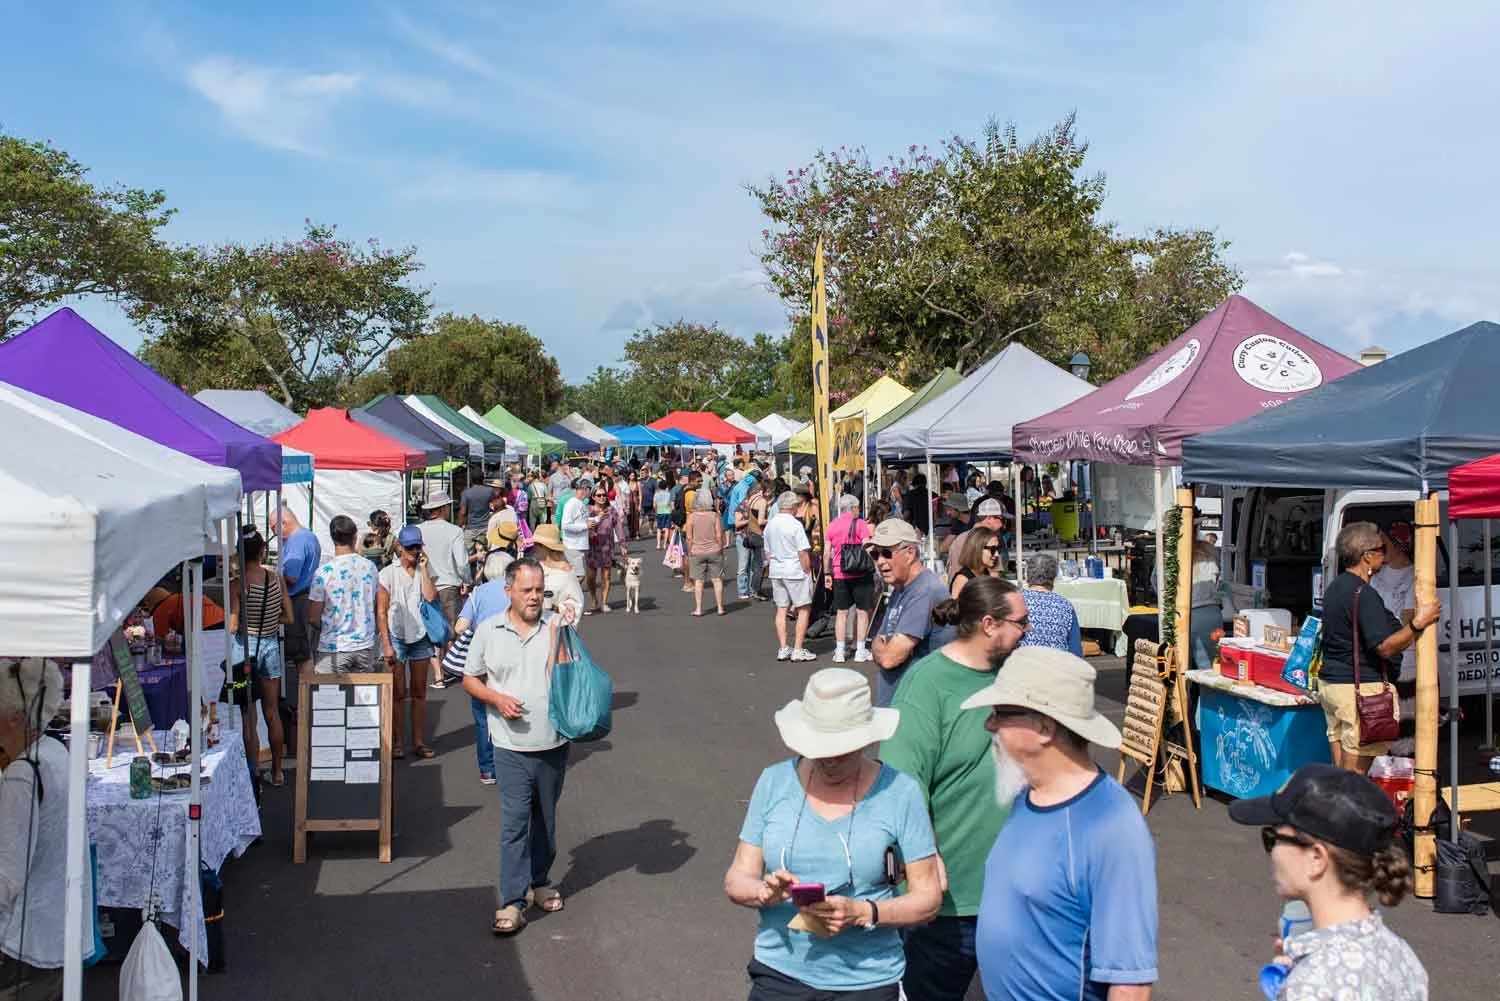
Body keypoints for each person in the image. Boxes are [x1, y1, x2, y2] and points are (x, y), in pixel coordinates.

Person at [723, 668, 943, 1001]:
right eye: (819, 749)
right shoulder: (774, 782)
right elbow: (737, 878)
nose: (829, 761)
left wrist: (864, 912)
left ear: (866, 740)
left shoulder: (901, 793)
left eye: (842, 751)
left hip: (868, 980)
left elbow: (928, 899)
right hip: (780, 974)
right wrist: (763, 892)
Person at [964, 646, 1157, 1001]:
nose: (989, 724)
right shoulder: (1028, 793)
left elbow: (1131, 983)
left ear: (1043, 727)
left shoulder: (1112, 826)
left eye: (1001, 713)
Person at [881, 577, 1030, 1001]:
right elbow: (902, 783)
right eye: (1020, 623)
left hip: (1022, 894)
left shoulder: (1016, 675)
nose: (1026, 632)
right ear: (989, 624)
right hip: (954, 903)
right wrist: (924, 858)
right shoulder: (927, 685)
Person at [1227, 763, 1426, 1001]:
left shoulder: (1312, 985)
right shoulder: (1400, 955)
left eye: (1273, 838)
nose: (1273, 853)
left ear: (1316, 858)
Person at [462, 559, 571, 936]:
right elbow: (469, 678)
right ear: (508, 590)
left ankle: (539, 881)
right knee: (514, 824)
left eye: (539, 590)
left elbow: (569, 675)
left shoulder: (555, 626)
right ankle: (512, 900)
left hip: (553, 741)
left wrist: (566, 634)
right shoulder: (489, 630)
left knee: (546, 820)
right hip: (509, 747)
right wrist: (496, 699)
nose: (534, 597)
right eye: (526, 590)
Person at [0, 658, 93, 996]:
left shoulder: (22, 775)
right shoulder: (54, 751)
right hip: (55, 929)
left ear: (13, 718)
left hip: (25, 942)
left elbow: (6, 875)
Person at [1318, 522, 1438, 772]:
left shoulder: (1335, 587)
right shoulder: (1362, 593)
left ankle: (1334, 809)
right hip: (1358, 688)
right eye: (1381, 549)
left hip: (1332, 685)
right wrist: (1418, 623)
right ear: (1367, 555)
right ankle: (1348, 810)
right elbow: (1384, 647)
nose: (1384, 554)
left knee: (1341, 771)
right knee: (1356, 775)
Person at [228, 527, 293, 786]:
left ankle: (252, 769)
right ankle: (277, 772)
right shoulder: (275, 579)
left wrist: (245, 621)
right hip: (270, 646)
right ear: (262, 550)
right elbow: (288, 617)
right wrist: (268, 621)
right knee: (272, 711)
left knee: (248, 714)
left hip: (245, 648)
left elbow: (233, 625)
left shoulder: (237, 584)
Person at [449, 550, 518, 786]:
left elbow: (460, 627)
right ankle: (514, 763)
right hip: (512, 658)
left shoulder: (478, 593)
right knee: (513, 708)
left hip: (482, 661)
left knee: (482, 717)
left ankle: (488, 770)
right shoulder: (514, 591)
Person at [869, 519, 954, 707]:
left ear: (910, 553)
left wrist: (881, 646)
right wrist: (880, 645)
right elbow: (878, 640)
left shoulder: (924, 591)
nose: (880, 562)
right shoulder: (901, 589)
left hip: (913, 708)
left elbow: (889, 657)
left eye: (886, 553)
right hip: (898, 704)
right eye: (875, 554)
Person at [378, 525, 440, 760]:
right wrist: (386, 644)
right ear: (400, 548)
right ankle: (398, 741)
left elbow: (431, 597)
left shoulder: (424, 567)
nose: (415, 551)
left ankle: (418, 741)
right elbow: (381, 611)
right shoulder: (387, 573)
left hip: (420, 636)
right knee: (397, 693)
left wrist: (424, 569)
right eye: (411, 547)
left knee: (419, 691)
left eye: (418, 546)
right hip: (397, 635)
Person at [308, 514, 382, 674]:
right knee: (362, 697)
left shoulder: (323, 573)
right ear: (355, 537)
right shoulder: (370, 568)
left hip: (333, 646)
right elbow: (376, 605)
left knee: (330, 696)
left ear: (332, 538)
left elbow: (313, 617)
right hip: (365, 645)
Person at [765, 491, 817, 662]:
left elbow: (767, 552)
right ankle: (798, 648)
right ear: (793, 507)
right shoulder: (795, 525)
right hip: (794, 569)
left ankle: (783, 647)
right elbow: (802, 551)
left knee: (781, 608)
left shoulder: (770, 524)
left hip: (776, 568)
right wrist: (808, 569)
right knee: (803, 608)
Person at [825, 494, 875, 664]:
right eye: (858, 507)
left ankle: (839, 651)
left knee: (841, 613)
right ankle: (860, 650)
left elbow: (826, 553)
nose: (859, 510)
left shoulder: (832, 525)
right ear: (853, 508)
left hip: (840, 573)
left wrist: (826, 573)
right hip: (861, 573)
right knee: (862, 612)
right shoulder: (861, 524)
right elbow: (868, 546)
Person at [275, 502, 322, 678]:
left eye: (275, 530)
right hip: (306, 596)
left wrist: (272, 575)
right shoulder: (309, 536)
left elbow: (291, 576)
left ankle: (305, 699)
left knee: (301, 654)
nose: (277, 536)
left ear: (283, 523)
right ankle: (306, 695)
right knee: (304, 651)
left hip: (297, 600)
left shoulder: (296, 541)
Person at [418, 490, 471, 633]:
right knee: (451, 633)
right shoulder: (454, 531)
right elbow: (461, 563)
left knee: (430, 631)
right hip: (448, 586)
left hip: (424, 585)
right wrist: (466, 581)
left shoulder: (419, 530)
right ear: (443, 508)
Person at [1369, 526, 1416, 684]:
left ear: (1398, 545)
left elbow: (1408, 622)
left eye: (1384, 545)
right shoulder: (1376, 573)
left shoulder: (1414, 577)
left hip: (1403, 659)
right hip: (1377, 651)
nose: (1379, 549)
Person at [1019, 554, 1083, 657]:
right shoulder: (1065, 606)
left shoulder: (1015, 601)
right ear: (1054, 576)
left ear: (1027, 574)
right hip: (1057, 669)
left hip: (1022, 667)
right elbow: (1075, 651)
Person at [527, 525, 584, 628]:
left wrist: (555, 608)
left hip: (555, 631)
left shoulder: (566, 573)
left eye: (536, 544)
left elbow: (577, 605)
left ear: (545, 547)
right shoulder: (535, 566)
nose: (533, 547)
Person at [686, 488, 727, 616]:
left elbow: (689, 537)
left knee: (698, 581)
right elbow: (719, 535)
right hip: (714, 549)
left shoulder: (691, 517)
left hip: (697, 551)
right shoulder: (714, 516)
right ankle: (720, 607)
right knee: (717, 579)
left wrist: (690, 550)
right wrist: (720, 548)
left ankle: (698, 608)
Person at [585, 482, 620, 614]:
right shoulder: (587, 510)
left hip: (607, 547)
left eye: (604, 495)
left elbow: (618, 527)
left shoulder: (611, 510)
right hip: (592, 547)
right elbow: (582, 524)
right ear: (593, 497)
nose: (602, 497)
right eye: (599, 495)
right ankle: (594, 600)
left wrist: (622, 544)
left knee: (606, 575)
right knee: (591, 576)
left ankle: (604, 602)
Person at [948, 526, 1001, 599]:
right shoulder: (963, 580)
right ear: (978, 548)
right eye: (993, 549)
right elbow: (956, 608)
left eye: (998, 549)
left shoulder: (989, 574)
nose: (996, 554)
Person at [560, 478, 593, 582]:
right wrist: (585, 526)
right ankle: (570, 595)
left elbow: (582, 520)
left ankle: (572, 595)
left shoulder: (581, 503)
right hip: (572, 545)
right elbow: (565, 525)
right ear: (586, 490)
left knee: (576, 575)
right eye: (589, 489)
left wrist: (595, 521)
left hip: (579, 545)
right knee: (579, 576)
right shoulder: (572, 504)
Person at [458, 475, 496, 551]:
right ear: (483, 479)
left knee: (467, 553)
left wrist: (459, 525)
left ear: (471, 480)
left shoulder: (466, 493)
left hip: (471, 528)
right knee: (486, 552)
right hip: (486, 527)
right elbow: (495, 506)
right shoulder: (490, 491)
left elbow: (463, 512)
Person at [654, 470, 677, 550]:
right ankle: (664, 545)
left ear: (659, 486)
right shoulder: (669, 494)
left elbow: (654, 504)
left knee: (659, 529)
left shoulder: (656, 494)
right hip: (667, 512)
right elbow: (671, 503)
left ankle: (658, 544)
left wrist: (656, 510)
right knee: (667, 528)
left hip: (659, 512)